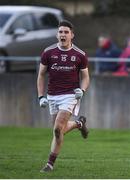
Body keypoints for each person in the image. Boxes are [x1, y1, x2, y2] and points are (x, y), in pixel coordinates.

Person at [37, 20, 90, 172]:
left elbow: (86, 77)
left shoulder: (80, 55)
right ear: (57, 34)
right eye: (60, 32)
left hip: (70, 95)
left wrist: (82, 90)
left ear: (72, 35)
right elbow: (41, 75)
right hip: (52, 95)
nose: (63, 34)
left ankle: (49, 164)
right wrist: (41, 96)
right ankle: (79, 124)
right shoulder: (48, 52)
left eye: (66, 32)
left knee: (57, 129)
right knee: (58, 130)